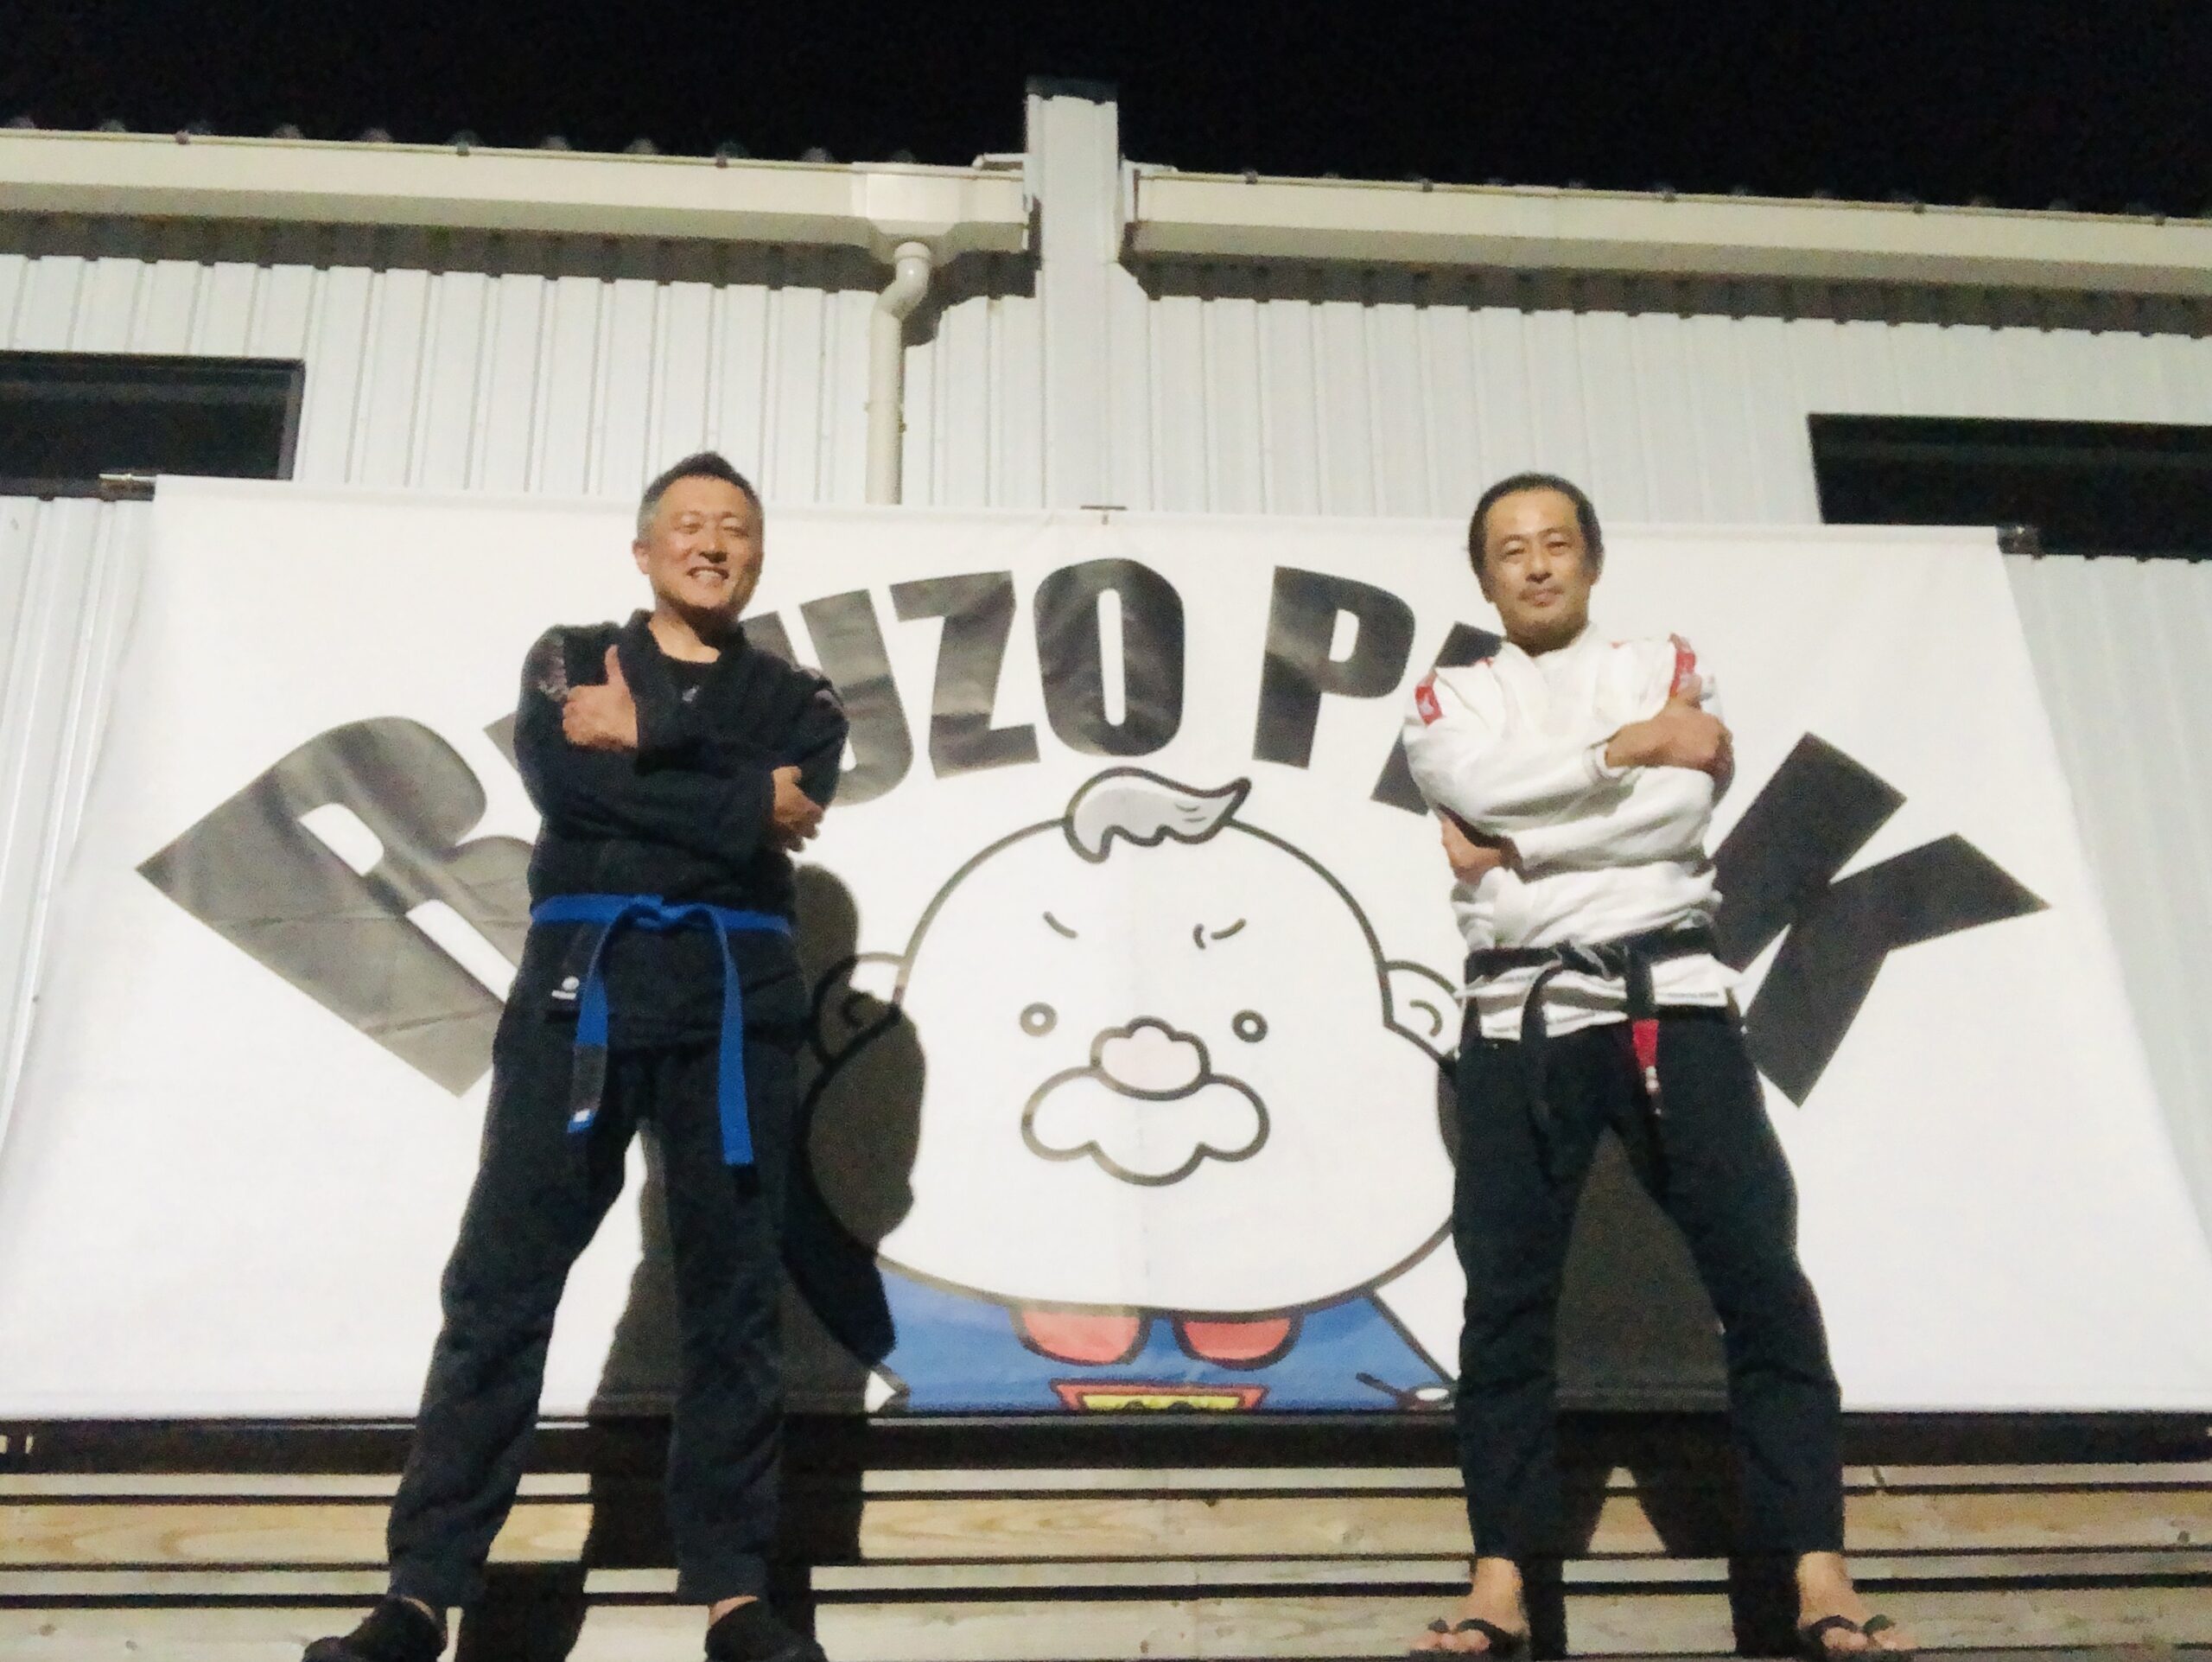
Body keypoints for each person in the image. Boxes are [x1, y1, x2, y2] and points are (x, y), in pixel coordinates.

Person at [307, 452, 848, 1662]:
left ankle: (734, 1595)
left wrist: (646, 735)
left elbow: (800, 787)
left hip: (732, 1010)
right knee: (500, 1287)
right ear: (645, 551)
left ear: (758, 557)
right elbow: (572, 787)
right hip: (581, 997)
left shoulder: (799, 695)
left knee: (733, 1300)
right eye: (688, 524)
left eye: (735, 528)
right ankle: (420, 1593)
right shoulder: (571, 656)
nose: (712, 542)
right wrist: (735, 796)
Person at [1398, 474, 1911, 1661]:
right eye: (1511, 550)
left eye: (1556, 543)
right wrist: (1627, 751)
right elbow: (1476, 787)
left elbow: (1673, 819)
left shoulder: (1663, 661)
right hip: (1519, 1021)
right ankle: (1501, 1584)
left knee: (1762, 1282)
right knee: (1505, 1306)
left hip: (1668, 1003)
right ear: (1485, 578)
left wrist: (1521, 838)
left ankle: (1818, 1577)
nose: (1536, 564)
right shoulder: (1450, 695)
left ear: (1590, 560)